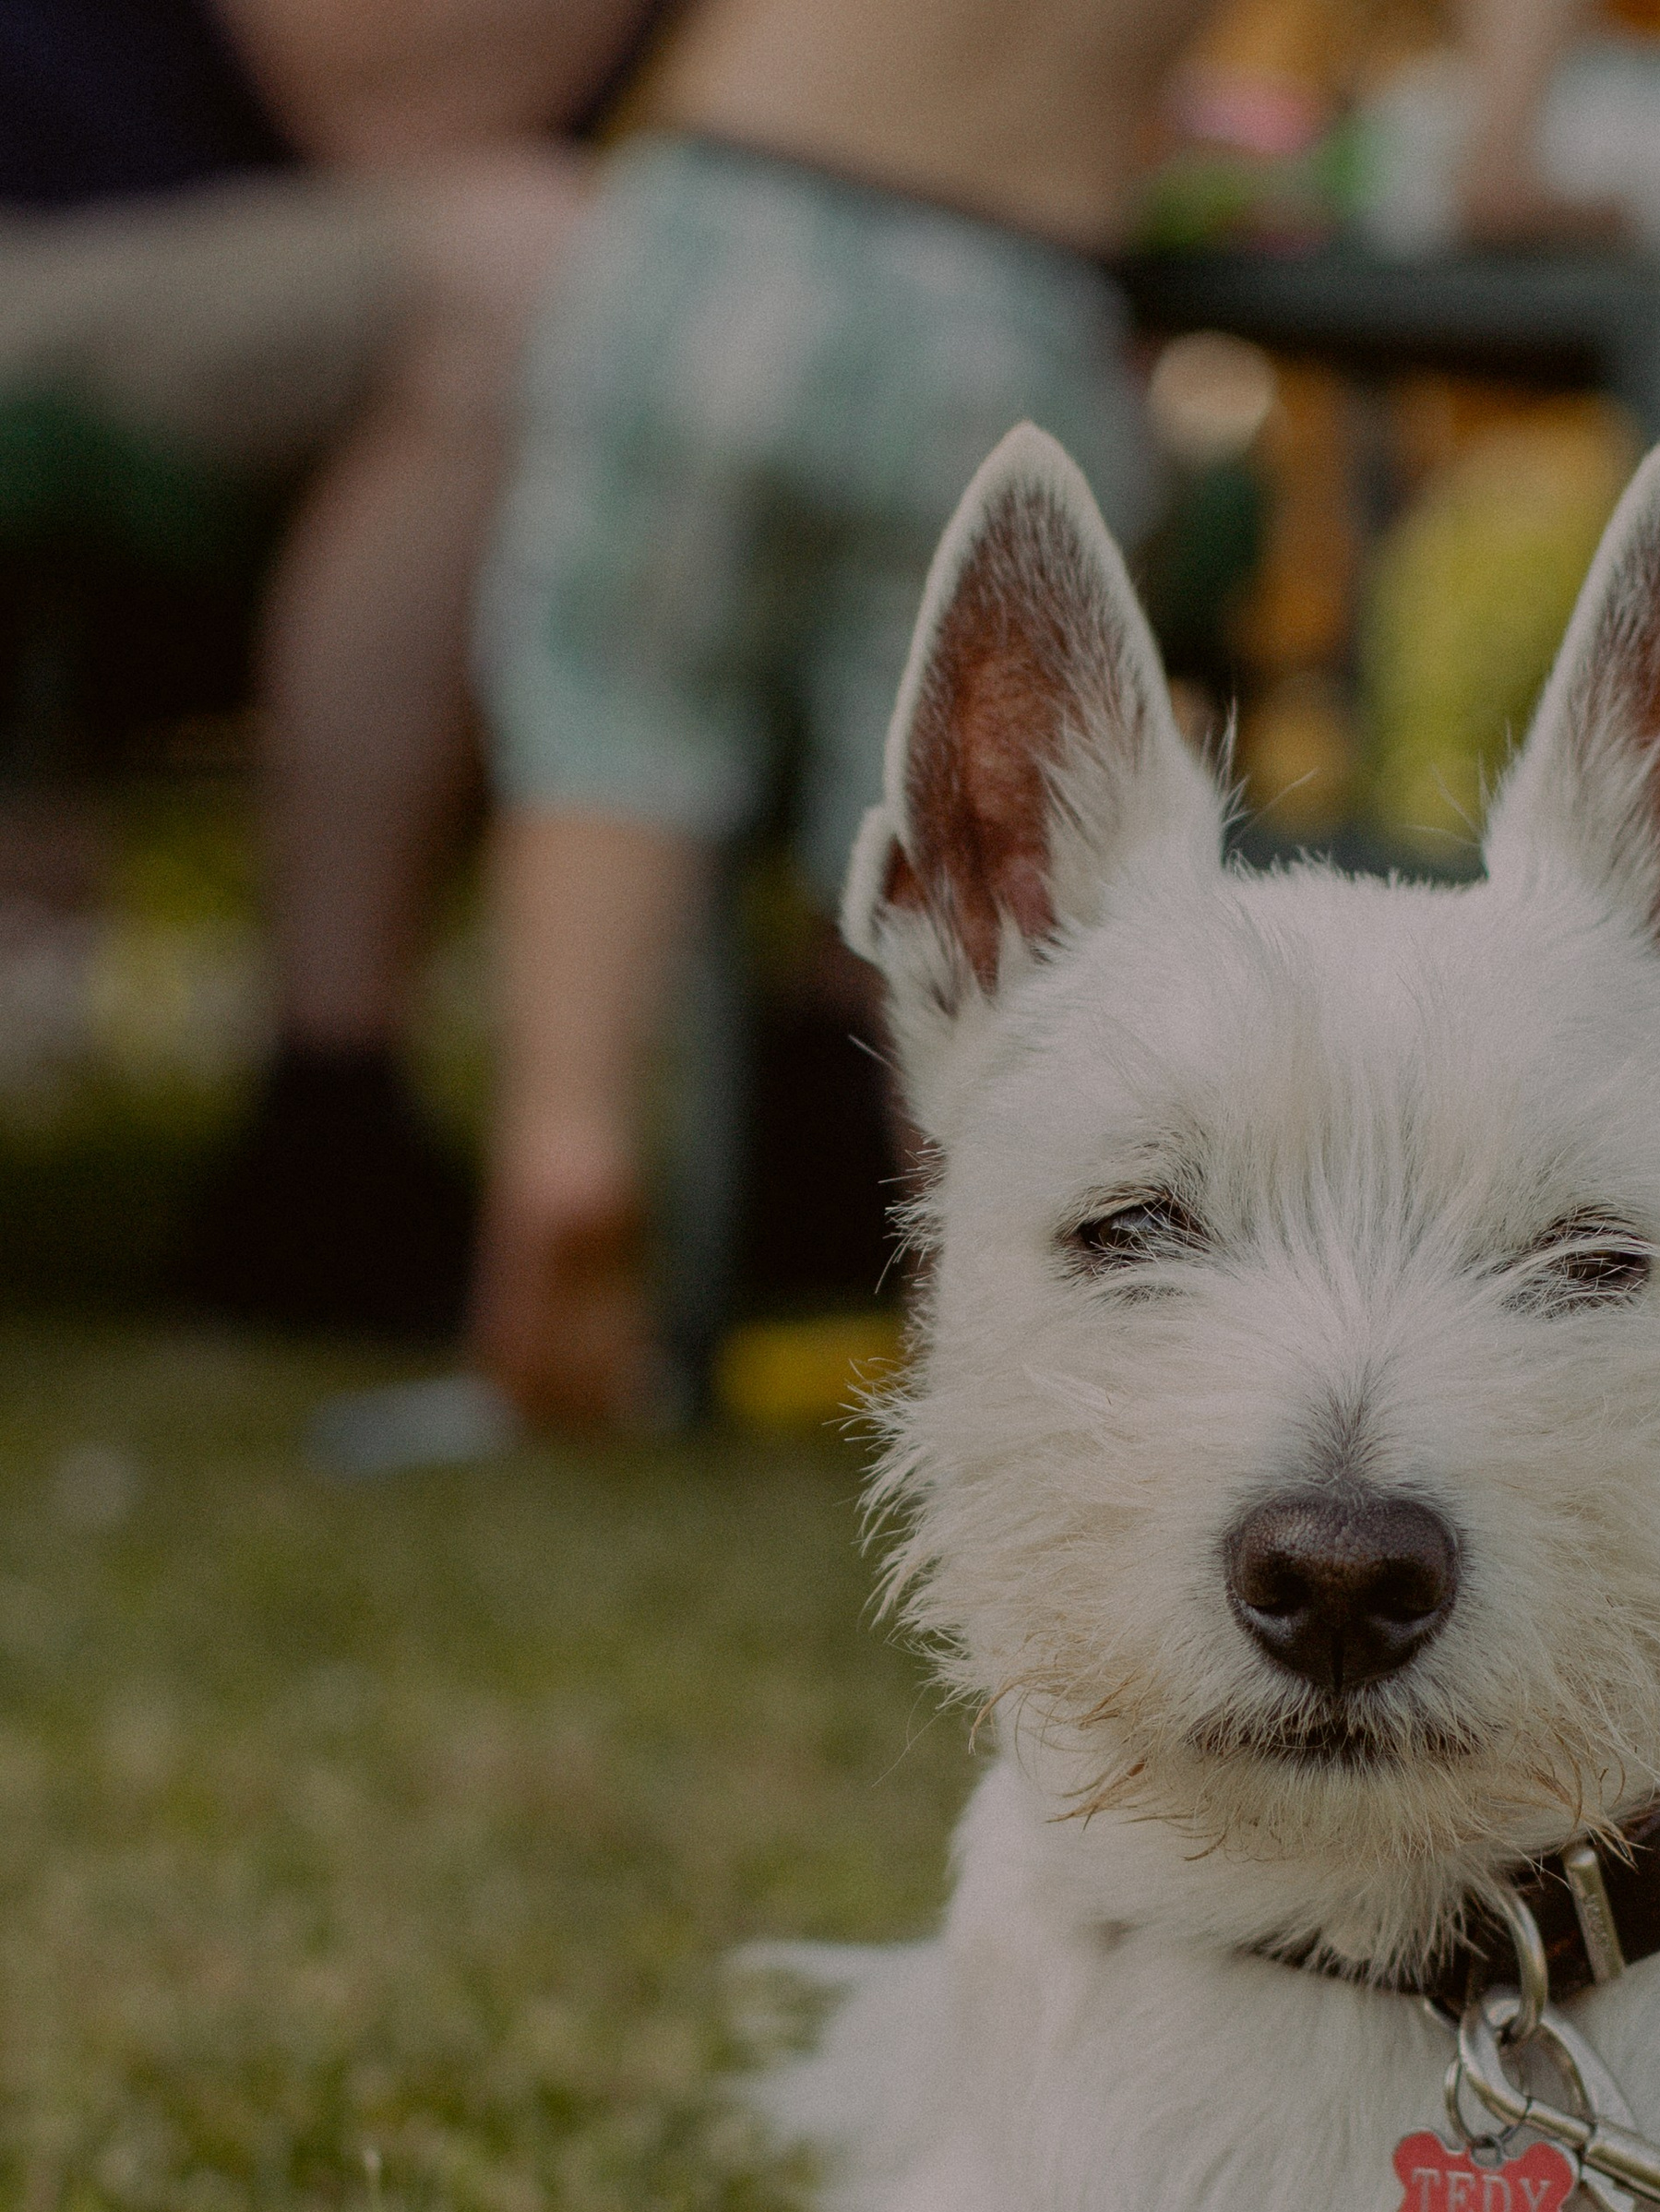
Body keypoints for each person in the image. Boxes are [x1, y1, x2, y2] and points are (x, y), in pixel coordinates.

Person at [466, 0, 1222, 1430]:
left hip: (717, 217)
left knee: (607, 716)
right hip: (1005, 287)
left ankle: (566, 1145)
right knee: (979, 857)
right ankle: (1001, 1333)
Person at [0, 0, 666, 1333]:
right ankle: (331, 1114)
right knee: (522, 266)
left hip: (278, 258)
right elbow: (385, 102)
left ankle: (838, 1107)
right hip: (55, 240)